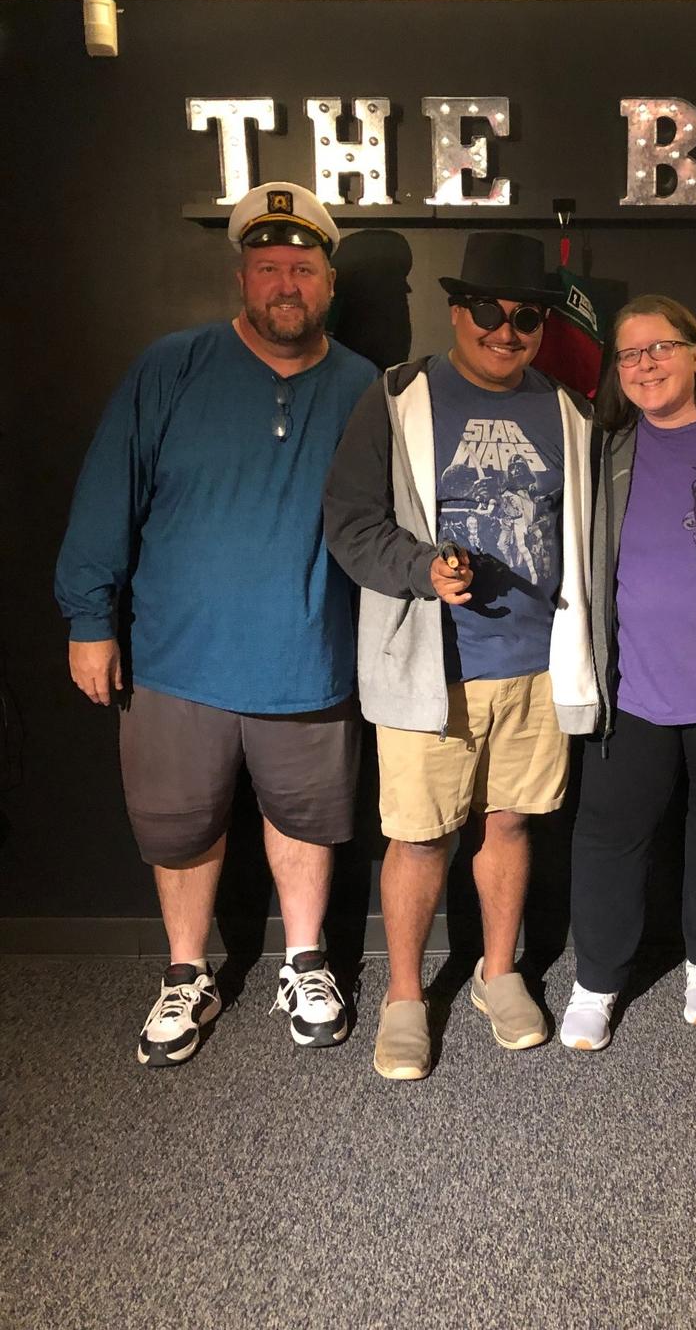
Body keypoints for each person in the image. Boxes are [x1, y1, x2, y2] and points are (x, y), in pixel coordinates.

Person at [56, 182, 376, 1067]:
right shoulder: (173, 365)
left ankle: (306, 960)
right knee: (181, 824)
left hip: (308, 654)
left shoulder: (363, 387)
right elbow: (105, 496)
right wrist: (90, 616)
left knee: (305, 817)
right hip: (175, 659)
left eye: (303, 269)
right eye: (270, 266)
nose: (287, 284)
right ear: (243, 275)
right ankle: (185, 973)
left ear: (329, 283)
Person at [323, 232, 596, 1080]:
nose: (505, 330)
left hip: (538, 663)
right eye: (489, 311)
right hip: (429, 666)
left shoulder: (568, 409)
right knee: (419, 836)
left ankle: (498, 971)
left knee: (511, 821)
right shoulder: (397, 397)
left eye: (524, 317)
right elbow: (350, 522)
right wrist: (420, 569)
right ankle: (407, 994)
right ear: (457, 310)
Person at [559, 296, 696, 1052]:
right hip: (636, 690)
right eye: (629, 355)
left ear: (695, 352)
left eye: (660, 348)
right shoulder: (608, 441)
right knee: (608, 836)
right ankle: (596, 980)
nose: (645, 364)